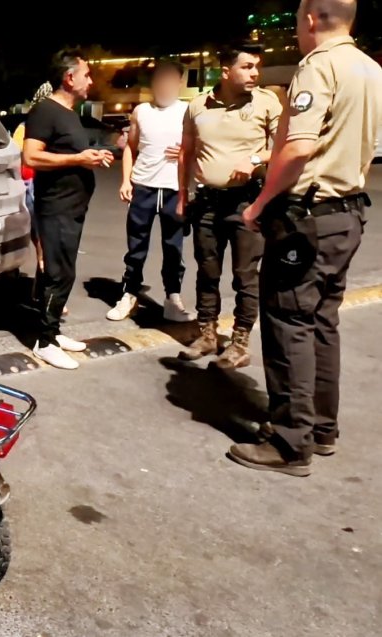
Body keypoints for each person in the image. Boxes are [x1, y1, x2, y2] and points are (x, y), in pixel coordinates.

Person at [229, 0, 382, 476]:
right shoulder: (370, 68)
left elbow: (299, 146)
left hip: (309, 217)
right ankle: (321, 428)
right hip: (349, 212)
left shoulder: (319, 67)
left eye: (298, 21)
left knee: (288, 321)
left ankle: (290, 442)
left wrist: (257, 205)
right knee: (322, 321)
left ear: (311, 19)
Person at [177, 43, 282, 369]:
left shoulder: (266, 102)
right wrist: (183, 195)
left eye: (256, 67)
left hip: (246, 201)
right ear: (226, 71)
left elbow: (285, 148)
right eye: (247, 66)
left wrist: (255, 158)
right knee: (207, 272)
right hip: (207, 203)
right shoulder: (198, 105)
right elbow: (186, 152)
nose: (255, 73)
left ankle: (239, 343)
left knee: (244, 276)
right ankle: (207, 334)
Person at [23, 48, 115, 370]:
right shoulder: (45, 111)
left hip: (72, 209)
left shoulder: (69, 113)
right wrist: (79, 159)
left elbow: (69, 153)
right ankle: (44, 342)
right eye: (86, 74)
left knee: (64, 273)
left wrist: (92, 156)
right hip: (56, 209)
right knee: (57, 274)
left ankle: (54, 333)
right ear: (69, 77)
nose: (90, 80)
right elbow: (31, 157)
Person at [110, 59, 194, 322]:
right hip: (143, 187)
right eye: (160, 79)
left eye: (170, 79)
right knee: (136, 248)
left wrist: (183, 153)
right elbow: (129, 149)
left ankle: (173, 298)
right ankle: (129, 294)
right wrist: (126, 181)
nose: (164, 85)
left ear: (179, 82)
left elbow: (200, 150)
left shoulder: (189, 111)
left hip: (174, 190)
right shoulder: (141, 111)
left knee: (173, 249)